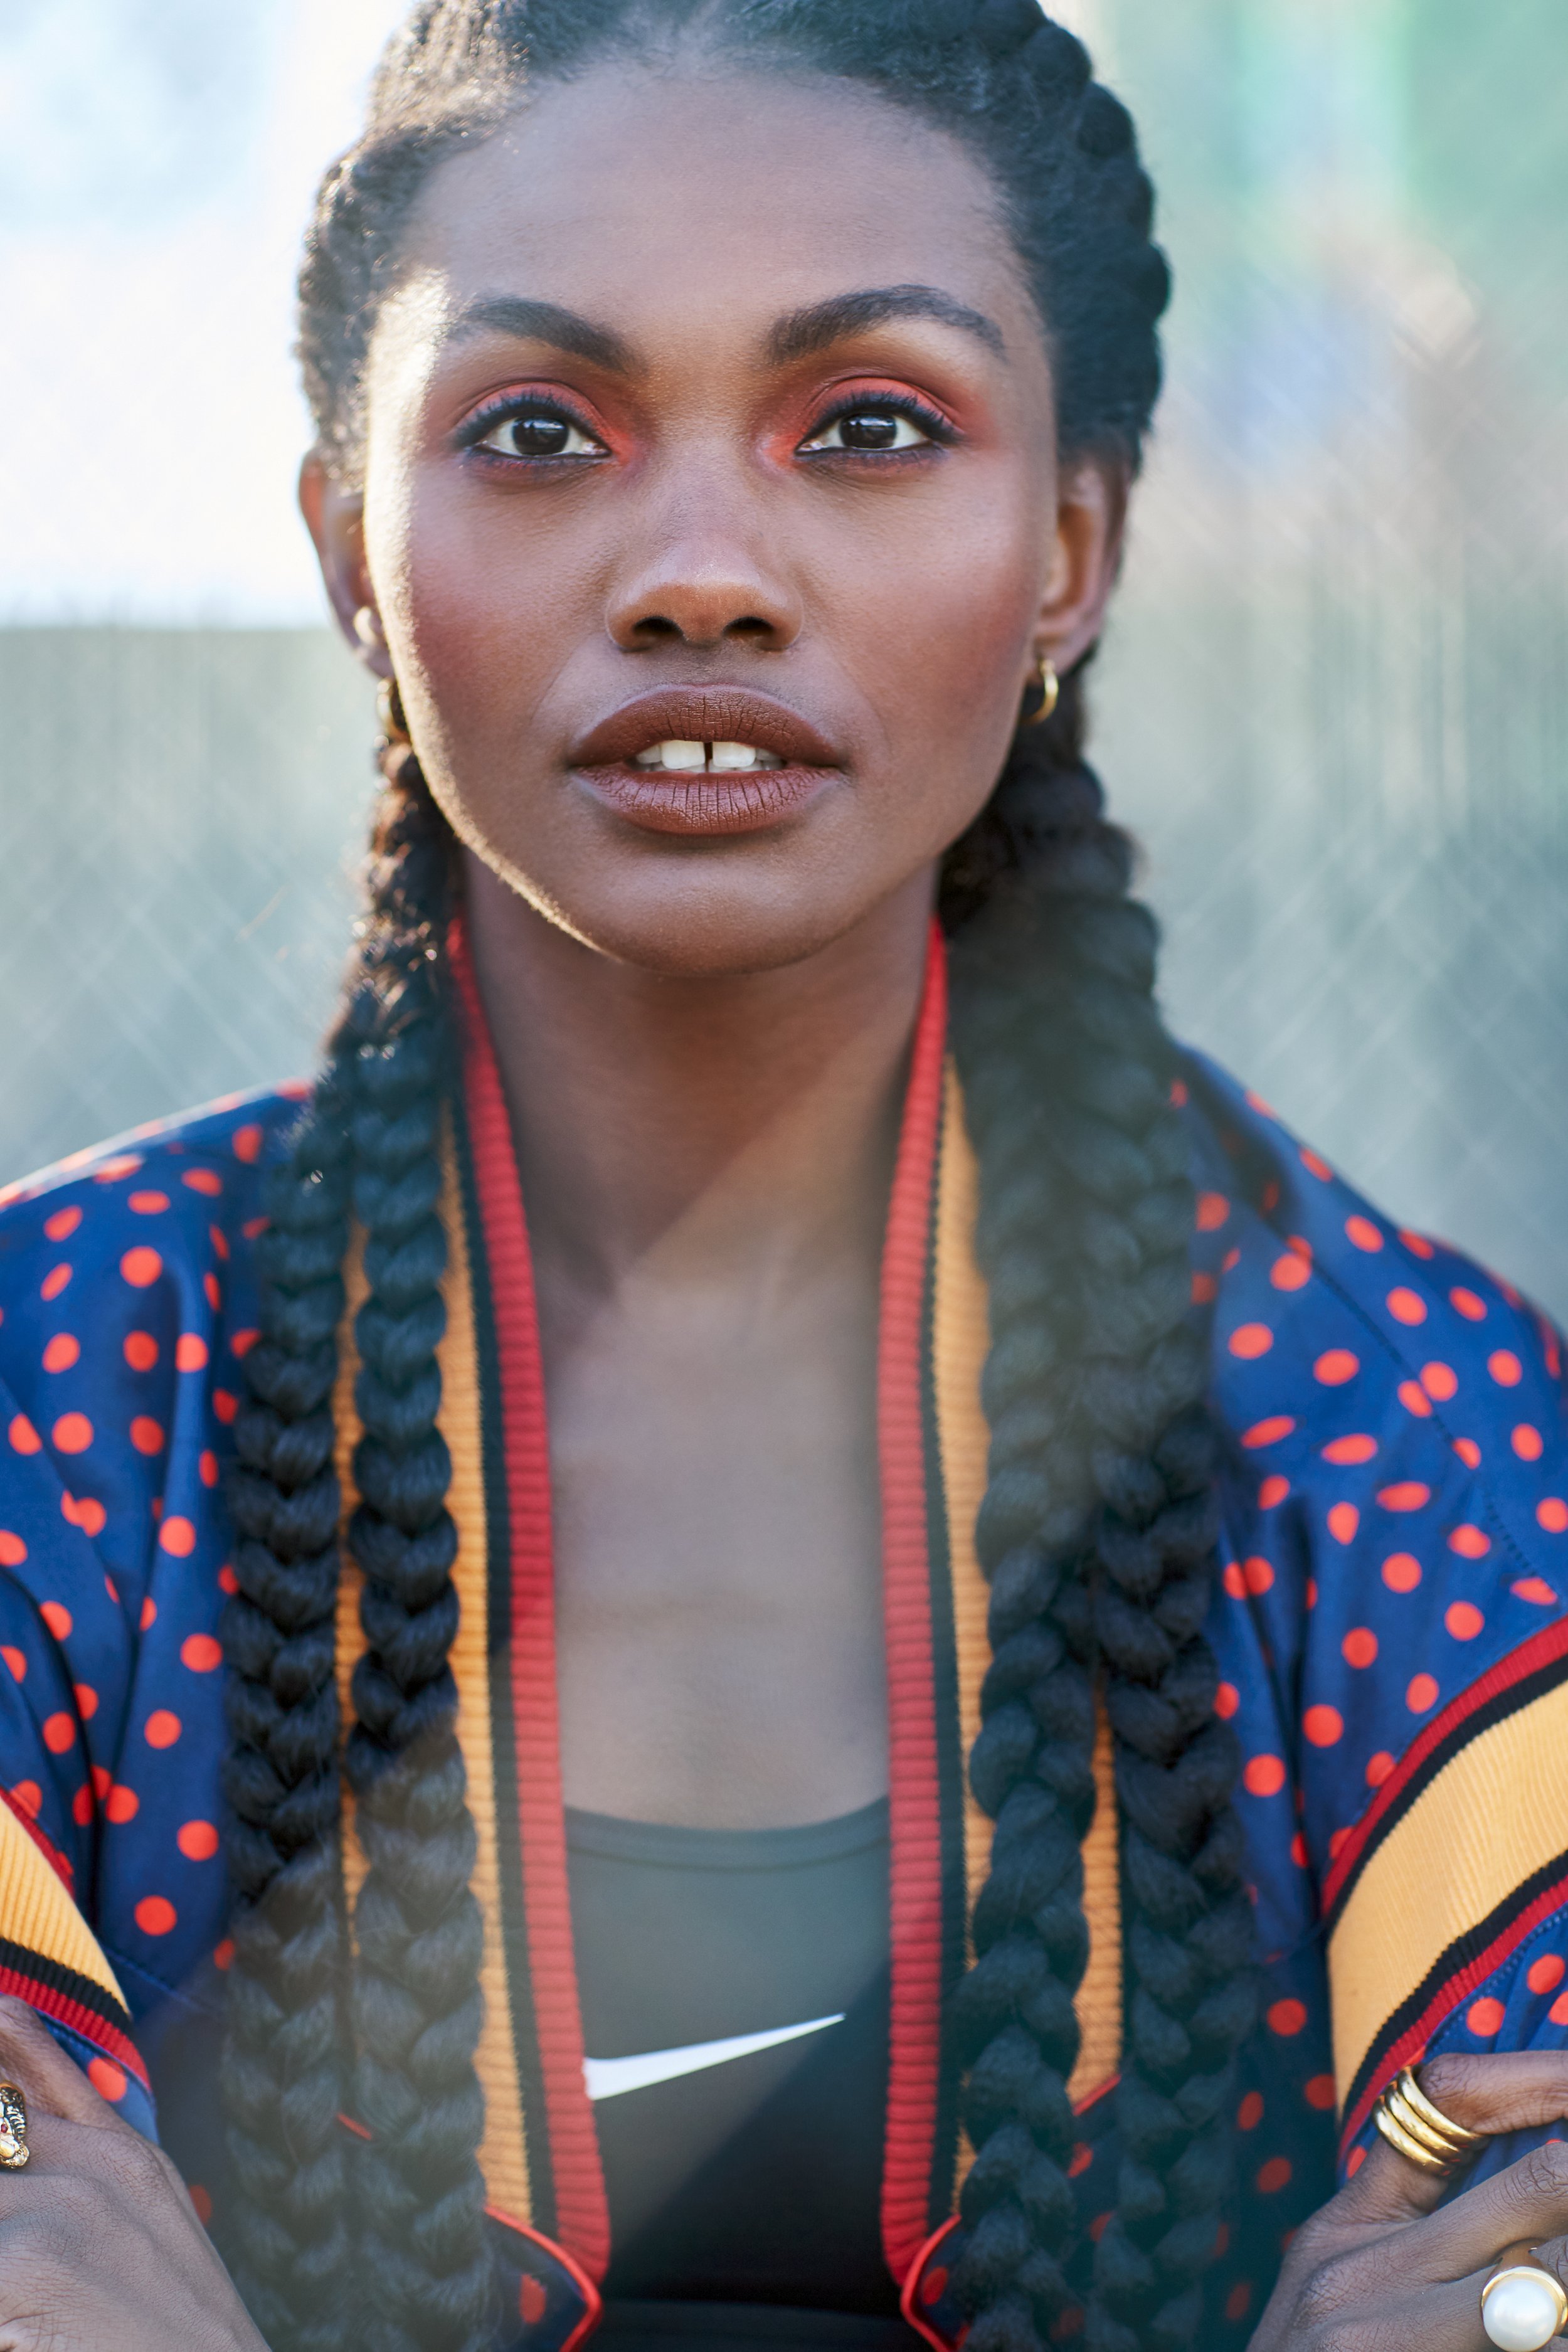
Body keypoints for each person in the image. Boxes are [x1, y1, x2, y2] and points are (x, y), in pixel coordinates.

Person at [3, 4, 1568, 2349]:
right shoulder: (62, 1369)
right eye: (539, 432)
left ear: (1065, 549)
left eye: (866, 428)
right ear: (349, 544)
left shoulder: (1408, 1416)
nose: (703, 573)